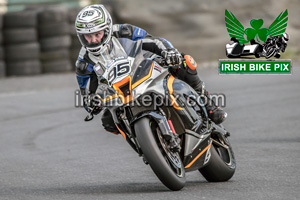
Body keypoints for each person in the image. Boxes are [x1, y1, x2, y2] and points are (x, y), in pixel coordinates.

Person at [75, 4, 227, 133]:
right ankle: (147, 144)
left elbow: (153, 40)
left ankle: (208, 104)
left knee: (184, 62)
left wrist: (169, 52)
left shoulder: (123, 31)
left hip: (142, 66)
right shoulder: (83, 63)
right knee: (108, 123)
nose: (93, 40)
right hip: (118, 92)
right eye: (87, 36)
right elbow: (86, 94)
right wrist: (92, 103)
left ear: (106, 29)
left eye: (97, 34)